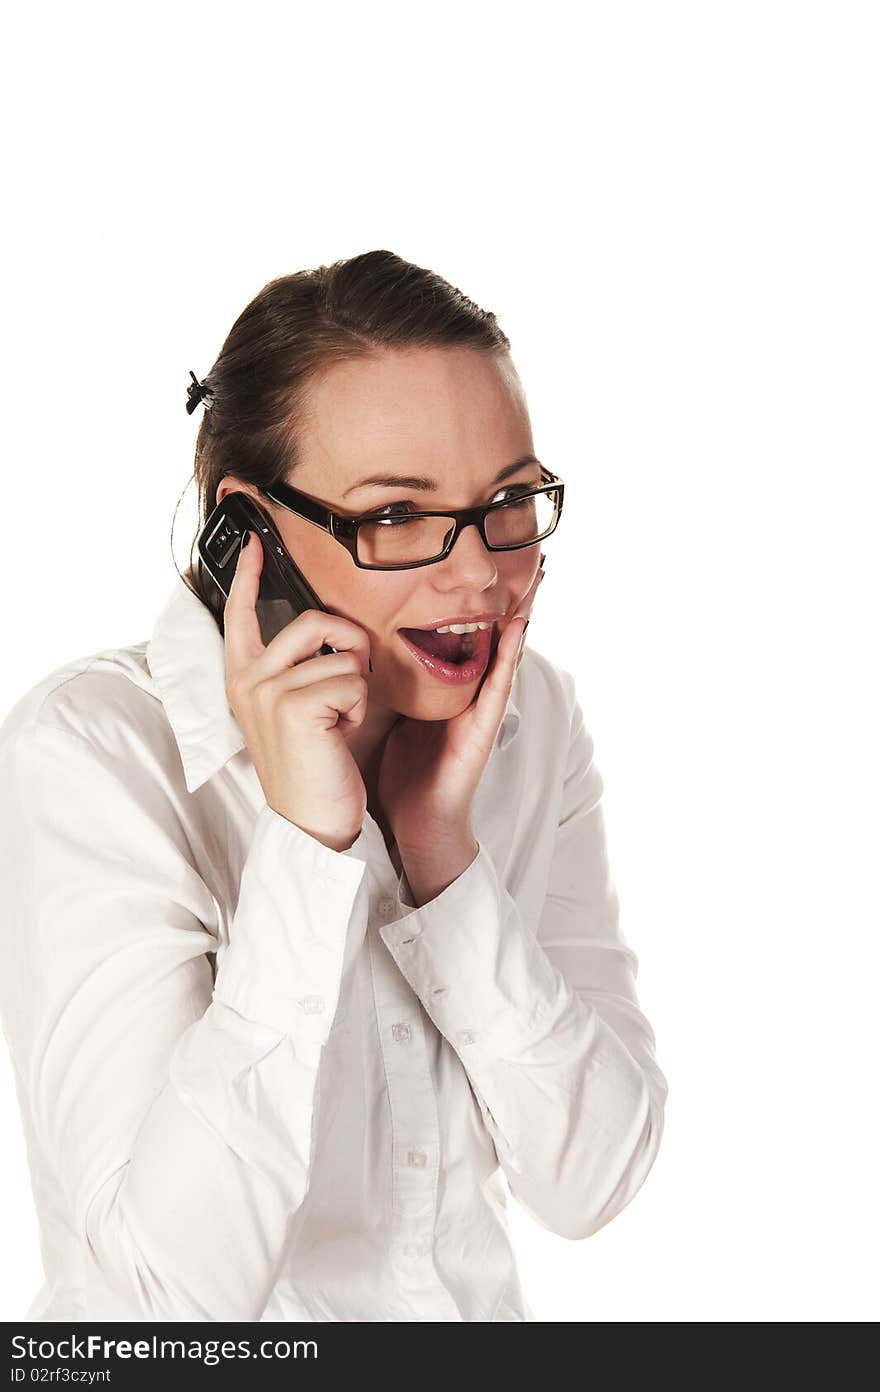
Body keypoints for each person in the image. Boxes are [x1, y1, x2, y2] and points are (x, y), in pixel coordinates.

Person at [0, 249, 668, 1322]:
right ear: (249, 528)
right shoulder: (94, 753)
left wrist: (444, 858)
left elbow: (592, 1181)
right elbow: (161, 1302)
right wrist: (307, 846)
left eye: (506, 500)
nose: (480, 573)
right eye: (397, 516)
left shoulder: (529, 720)